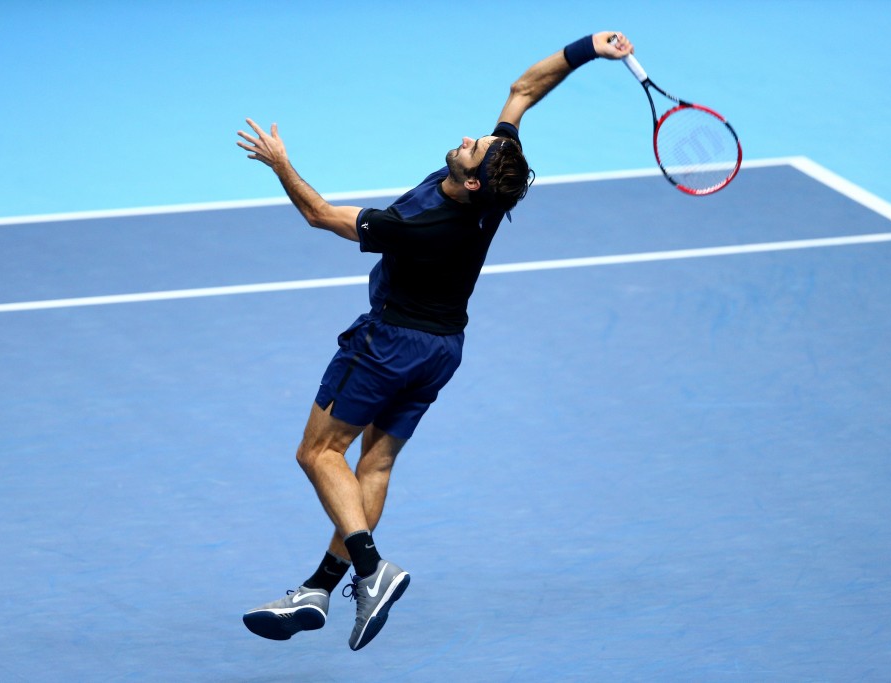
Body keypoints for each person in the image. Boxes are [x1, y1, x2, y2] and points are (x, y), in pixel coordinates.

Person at [235, 30, 634, 651]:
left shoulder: (419, 227)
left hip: (387, 344)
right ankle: (319, 586)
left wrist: (281, 163)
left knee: (317, 455)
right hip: (443, 350)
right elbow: (525, 89)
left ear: (472, 182)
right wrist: (589, 48)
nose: (470, 140)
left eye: (472, 149)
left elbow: (319, 214)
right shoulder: (495, 186)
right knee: (376, 461)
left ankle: (371, 568)